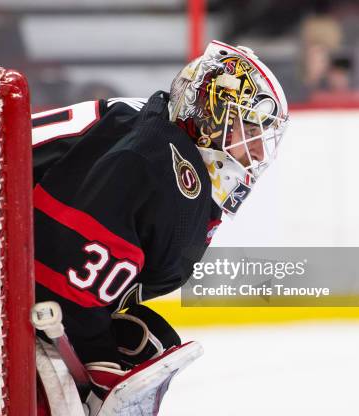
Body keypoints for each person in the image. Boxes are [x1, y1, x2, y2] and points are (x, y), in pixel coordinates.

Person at [32, 40, 288, 414]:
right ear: (211, 116)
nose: (259, 154)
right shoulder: (160, 163)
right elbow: (57, 278)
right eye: (249, 130)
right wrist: (100, 358)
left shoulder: (157, 136)